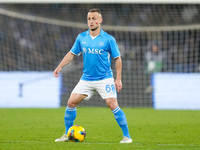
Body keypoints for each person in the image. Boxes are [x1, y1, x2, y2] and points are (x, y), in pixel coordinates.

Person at [53, 8, 132, 144]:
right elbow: (72, 53)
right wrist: (60, 66)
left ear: (100, 20)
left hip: (105, 78)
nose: (91, 21)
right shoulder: (81, 37)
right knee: (71, 102)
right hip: (87, 79)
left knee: (112, 104)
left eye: (94, 18)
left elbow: (118, 58)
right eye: (89, 19)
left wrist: (118, 79)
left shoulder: (108, 39)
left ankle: (127, 137)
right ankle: (66, 134)